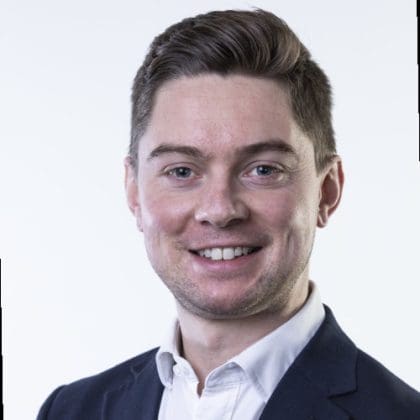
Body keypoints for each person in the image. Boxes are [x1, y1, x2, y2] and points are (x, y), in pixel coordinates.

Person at [37, 9, 420, 420]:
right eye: (181, 171)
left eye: (263, 170)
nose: (219, 210)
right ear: (134, 192)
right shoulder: (70, 411)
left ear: (327, 190)